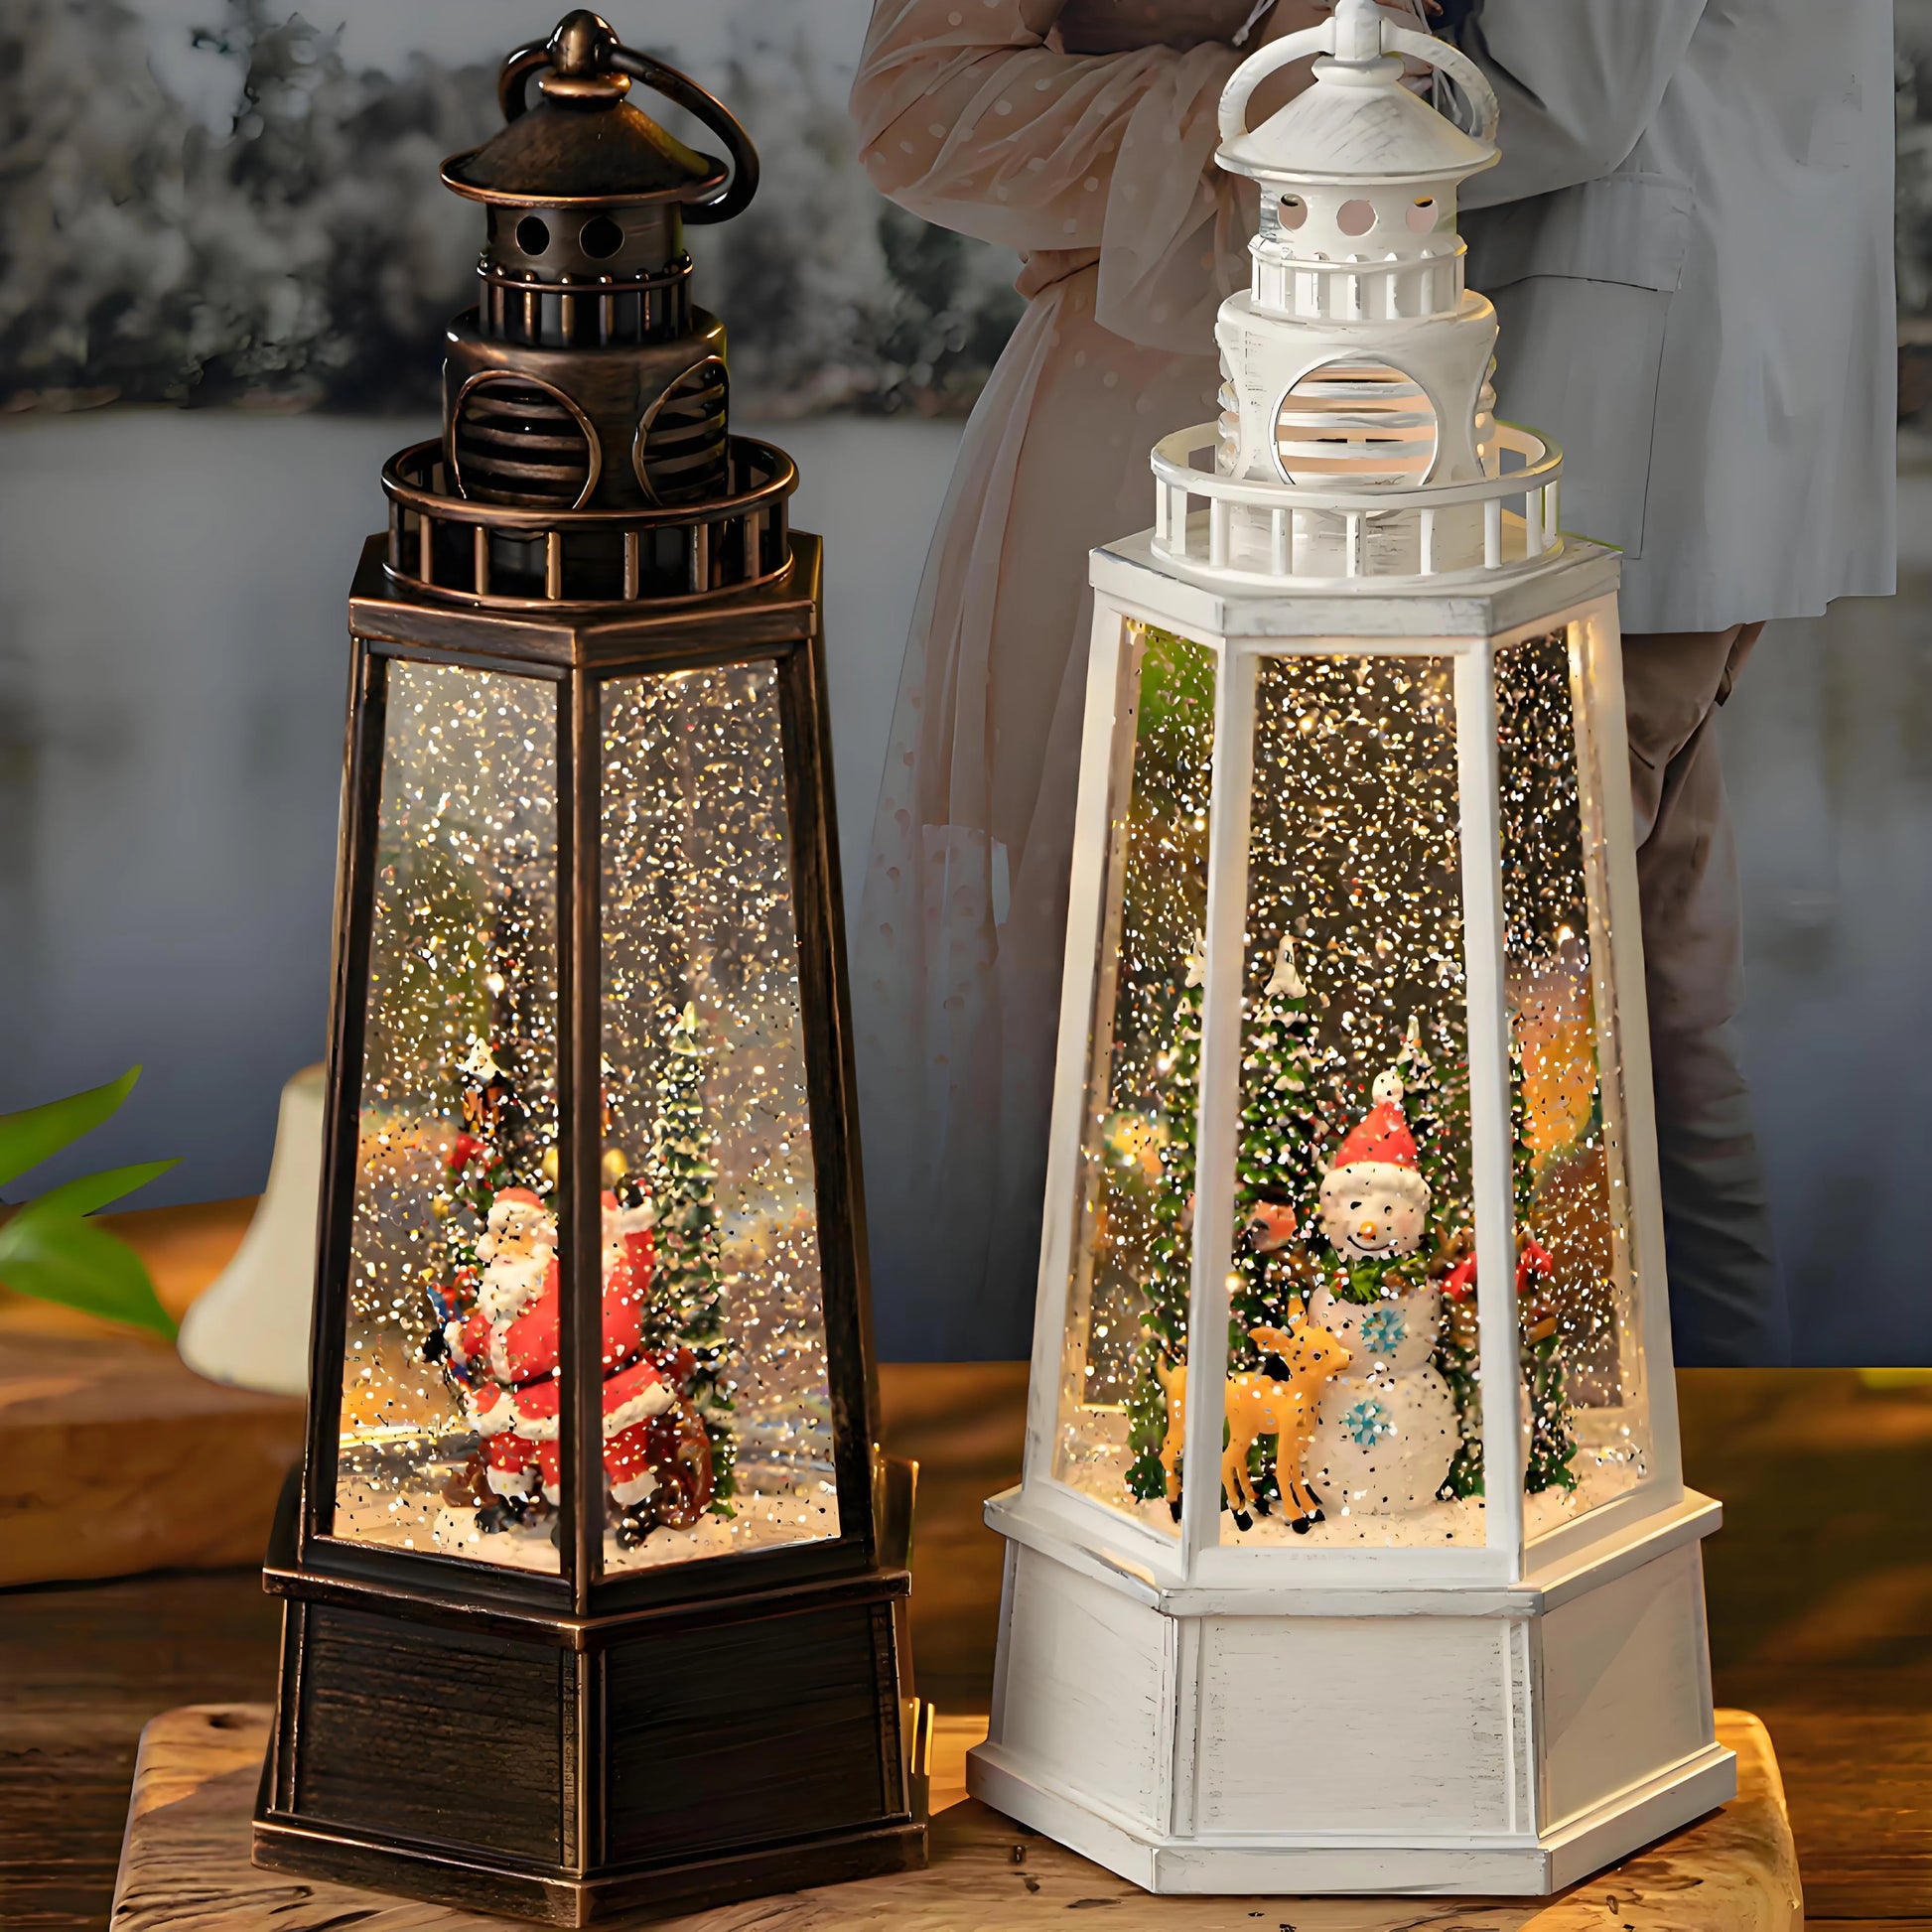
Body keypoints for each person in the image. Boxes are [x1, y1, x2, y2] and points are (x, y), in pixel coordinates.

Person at [849, 0, 1895, 1366]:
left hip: (1591, 417)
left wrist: (1292, 122)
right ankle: (1707, 1449)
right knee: (1629, 1001)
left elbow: (1560, 97)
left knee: (1544, 1014)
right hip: (1561, 426)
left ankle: (1588, 1459)